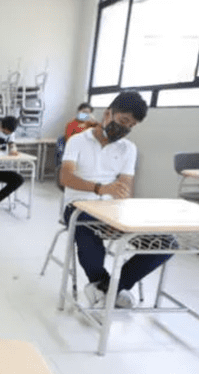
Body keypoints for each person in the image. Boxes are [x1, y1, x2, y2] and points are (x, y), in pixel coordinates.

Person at [60, 91, 172, 309]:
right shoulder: (77, 141)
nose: (125, 129)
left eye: (130, 126)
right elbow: (65, 177)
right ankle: (112, 291)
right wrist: (100, 188)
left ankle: (107, 289)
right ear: (108, 113)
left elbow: (124, 187)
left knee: (167, 244)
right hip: (78, 206)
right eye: (122, 121)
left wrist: (118, 216)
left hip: (111, 209)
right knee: (87, 230)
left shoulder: (128, 149)